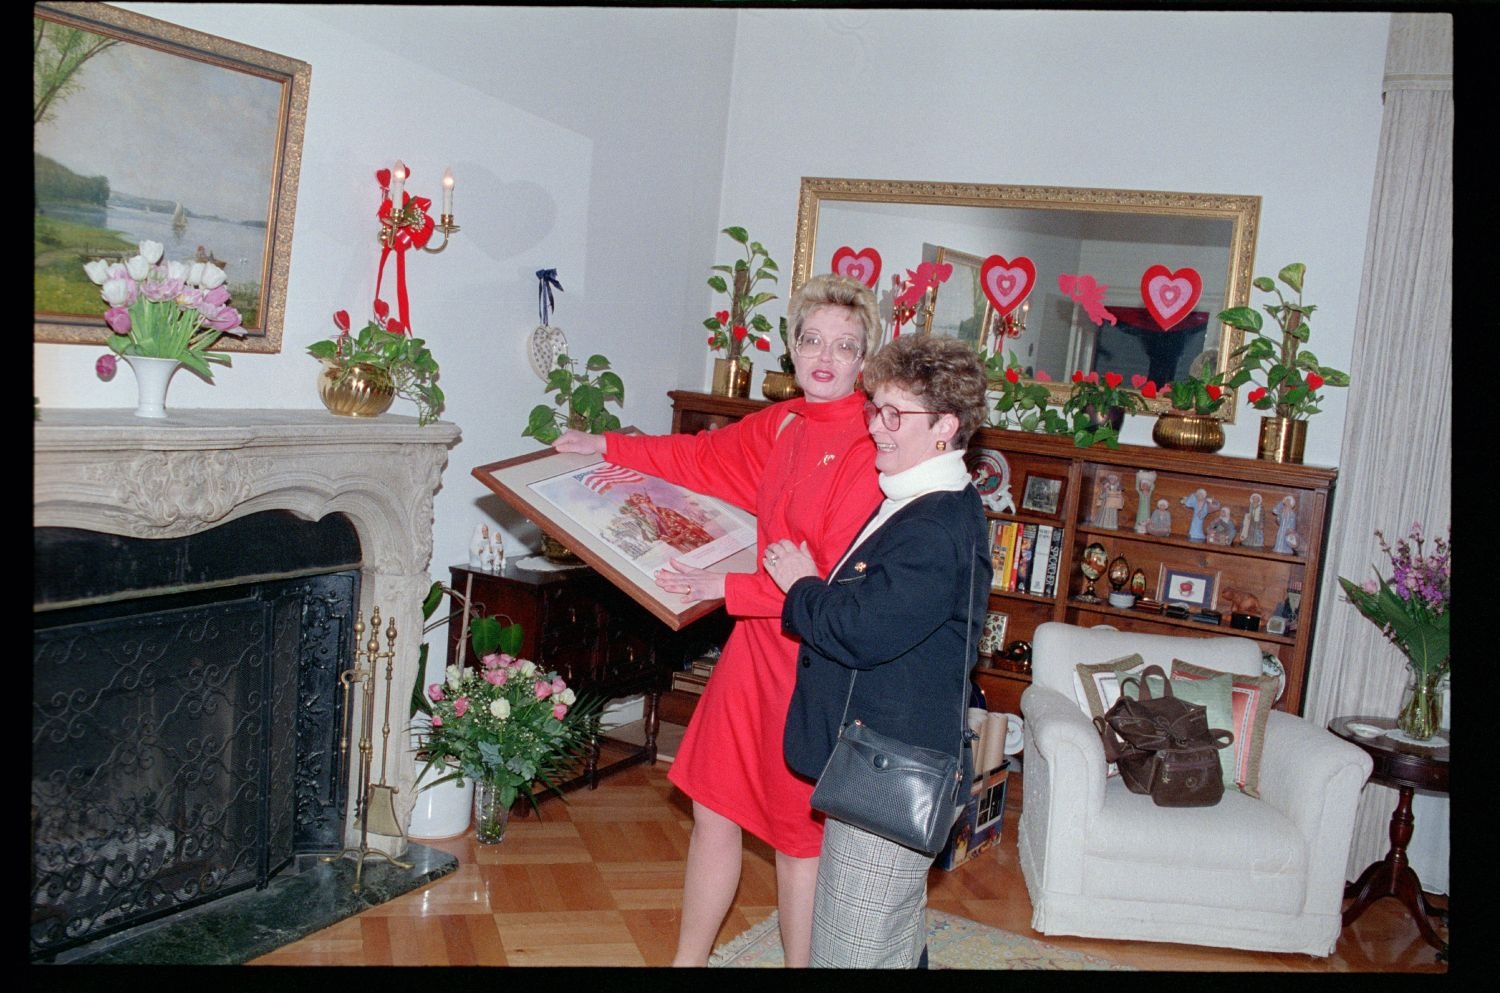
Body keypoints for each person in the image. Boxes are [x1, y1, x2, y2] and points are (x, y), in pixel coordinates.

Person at [552, 273, 883, 967]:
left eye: (845, 345)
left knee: (797, 841)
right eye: (813, 339)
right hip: (753, 649)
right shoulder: (785, 421)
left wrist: (721, 584)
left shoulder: (865, 444)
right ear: (791, 348)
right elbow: (701, 457)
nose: (825, 357)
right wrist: (606, 446)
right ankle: (687, 964)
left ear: (865, 358)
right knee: (714, 810)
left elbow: (820, 572)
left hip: (810, 660)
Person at [764, 334, 992, 968]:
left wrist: (800, 583)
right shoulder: (922, 503)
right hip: (877, 759)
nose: (877, 428)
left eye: (897, 415)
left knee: (852, 950)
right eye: (876, 409)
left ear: (945, 426)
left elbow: (859, 629)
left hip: (892, 770)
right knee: (888, 944)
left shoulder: (932, 526)